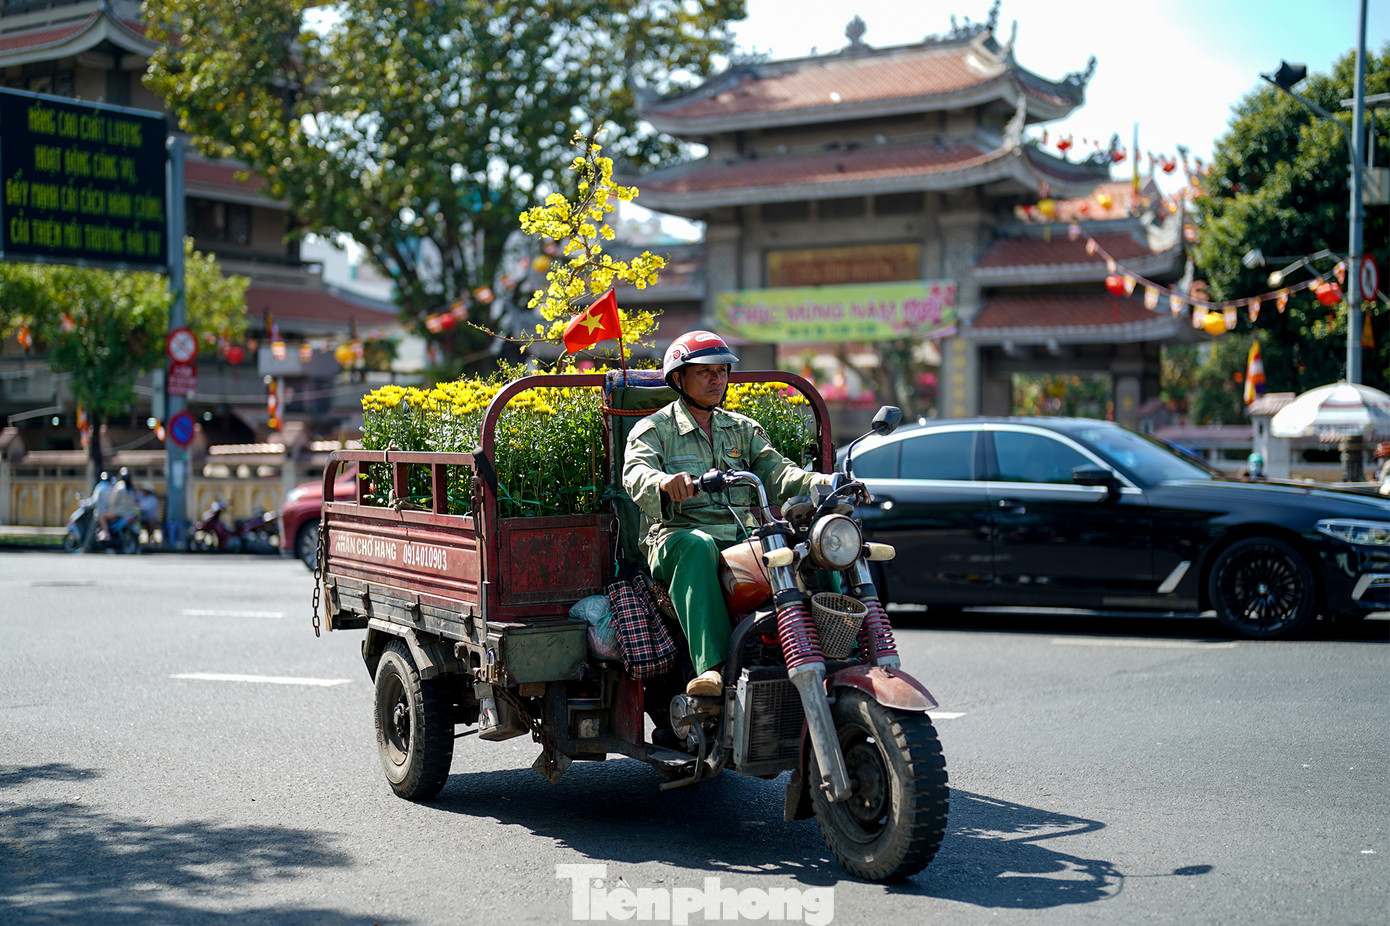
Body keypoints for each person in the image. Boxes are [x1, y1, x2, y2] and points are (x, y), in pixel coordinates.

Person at [622, 331, 830, 697]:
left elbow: (779, 473)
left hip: (741, 538)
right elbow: (635, 474)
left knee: (814, 544)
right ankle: (712, 670)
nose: (716, 379)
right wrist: (664, 482)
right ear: (678, 378)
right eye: (704, 372)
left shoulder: (741, 428)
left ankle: (840, 648)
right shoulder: (654, 429)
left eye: (721, 371)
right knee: (698, 544)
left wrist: (824, 482)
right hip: (677, 537)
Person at [97, 468, 138, 541]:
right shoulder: (132, 488)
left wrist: (111, 506)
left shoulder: (119, 486)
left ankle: (106, 533)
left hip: (120, 512)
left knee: (102, 516)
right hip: (131, 512)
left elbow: (114, 500)